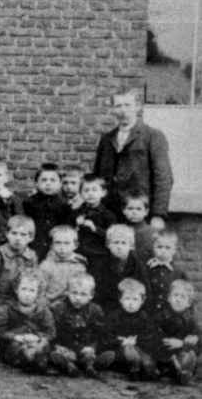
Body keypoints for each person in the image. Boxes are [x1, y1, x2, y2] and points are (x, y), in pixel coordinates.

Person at [94, 88, 173, 223]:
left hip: (139, 212)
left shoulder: (152, 136)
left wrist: (158, 214)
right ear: (113, 109)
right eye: (118, 106)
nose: (123, 110)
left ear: (137, 107)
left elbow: (163, 178)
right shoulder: (107, 139)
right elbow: (97, 177)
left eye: (127, 105)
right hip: (109, 212)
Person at [0, 270, 55, 374]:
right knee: (17, 346)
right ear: (16, 289)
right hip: (16, 344)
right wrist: (16, 336)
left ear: (38, 292)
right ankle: (32, 361)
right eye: (24, 289)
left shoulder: (44, 311)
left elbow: (51, 332)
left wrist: (38, 337)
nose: (27, 294)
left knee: (44, 344)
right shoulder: (6, 309)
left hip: (36, 342)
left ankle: (38, 359)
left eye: (32, 290)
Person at [0, 215, 39, 324]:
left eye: (23, 234)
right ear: (7, 234)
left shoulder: (31, 256)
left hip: (21, 302)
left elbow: (33, 282)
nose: (18, 238)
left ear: (30, 237)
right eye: (14, 233)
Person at [99, 277, 158, 380]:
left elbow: (150, 336)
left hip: (138, 349)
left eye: (135, 299)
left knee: (144, 359)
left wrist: (136, 341)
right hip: (118, 350)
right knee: (116, 355)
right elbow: (106, 336)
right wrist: (121, 341)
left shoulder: (144, 317)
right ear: (120, 299)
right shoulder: (114, 316)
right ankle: (129, 368)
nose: (131, 303)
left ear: (142, 300)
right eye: (127, 298)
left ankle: (144, 369)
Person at [48, 272, 105, 377]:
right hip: (66, 347)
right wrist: (60, 346)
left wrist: (92, 347)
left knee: (90, 355)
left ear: (91, 295)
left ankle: (89, 366)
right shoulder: (60, 309)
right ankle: (69, 366)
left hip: (85, 347)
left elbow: (98, 333)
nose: (78, 298)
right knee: (55, 355)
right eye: (74, 293)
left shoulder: (95, 310)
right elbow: (54, 331)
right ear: (67, 293)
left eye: (83, 294)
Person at [153, 279, 200, 385]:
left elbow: (198, 338)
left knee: (189, 354)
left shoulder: (190, 320)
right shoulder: (161, 316)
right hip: (164, 354)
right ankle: (171, 371)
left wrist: (184, 342)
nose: (178, 299)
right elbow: (156, 334)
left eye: (183, 297)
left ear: (188, 303)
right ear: (169, 298)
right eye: (176, 295)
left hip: (181, 352)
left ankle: (184, 373)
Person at [94, 224, 147, 312]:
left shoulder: (137, 265)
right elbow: (99, 292)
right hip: (109, 308)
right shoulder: (101, 265)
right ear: (108, 245)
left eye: (123, 243)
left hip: (133, 308)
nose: (119, 247)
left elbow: (146, 291)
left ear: (131, 246)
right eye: (116, 242)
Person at [23, 162, 70, 260]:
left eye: (53, 180)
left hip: (56, 248)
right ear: (36, 183)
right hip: (34, 246)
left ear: (60, 183)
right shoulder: (29, 203)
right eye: (44, 180)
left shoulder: (64, 205)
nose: (48, 183)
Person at [39, 225, 88, 304]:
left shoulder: (80, 264)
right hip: (50, 304)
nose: (62, 247)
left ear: (75, 245)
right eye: (58, 243)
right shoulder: (46, 266)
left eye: (67, 243)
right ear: (51, 245)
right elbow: (40, 292)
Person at [145, 229, 186, 316]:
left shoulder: (178, 272)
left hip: (171, 316)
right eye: (159, 247)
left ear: (174, 250)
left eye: (168, 247)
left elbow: (185, 296)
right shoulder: (146, 269)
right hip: (149, 315)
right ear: (153, 248)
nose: (163, 251)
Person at [121, 192, 156, 263]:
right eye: (130, 208)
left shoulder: (152, 233)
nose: (134, 212)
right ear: (124, 210)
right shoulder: (119, 231)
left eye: (138, 209)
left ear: (146, 211)